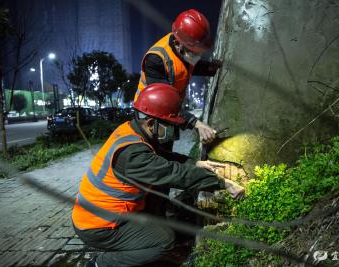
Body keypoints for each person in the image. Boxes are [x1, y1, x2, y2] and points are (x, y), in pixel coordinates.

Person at [72, 83, 244, 267]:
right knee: (164, 241)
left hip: (105, 214)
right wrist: (223, 183)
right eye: (170, 126)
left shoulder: (131, 129)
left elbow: (163, 157)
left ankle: (136, 241)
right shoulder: (132, 155)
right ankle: (100, 263)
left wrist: (195, 163)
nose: (173, 133)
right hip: (98, 226)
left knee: (160, 207)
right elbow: (175, 174)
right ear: (152, 123)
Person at [134, 9, 222, 145]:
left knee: (169, 149)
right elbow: (163, 104)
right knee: (157, 153)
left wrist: (210, 68)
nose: (197, 56)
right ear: (177, 43)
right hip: (150, 115)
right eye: (194, 52)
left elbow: (189, 65)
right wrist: (196, 123)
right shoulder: (156, 59)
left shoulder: (185, 49)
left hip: (170, 112)